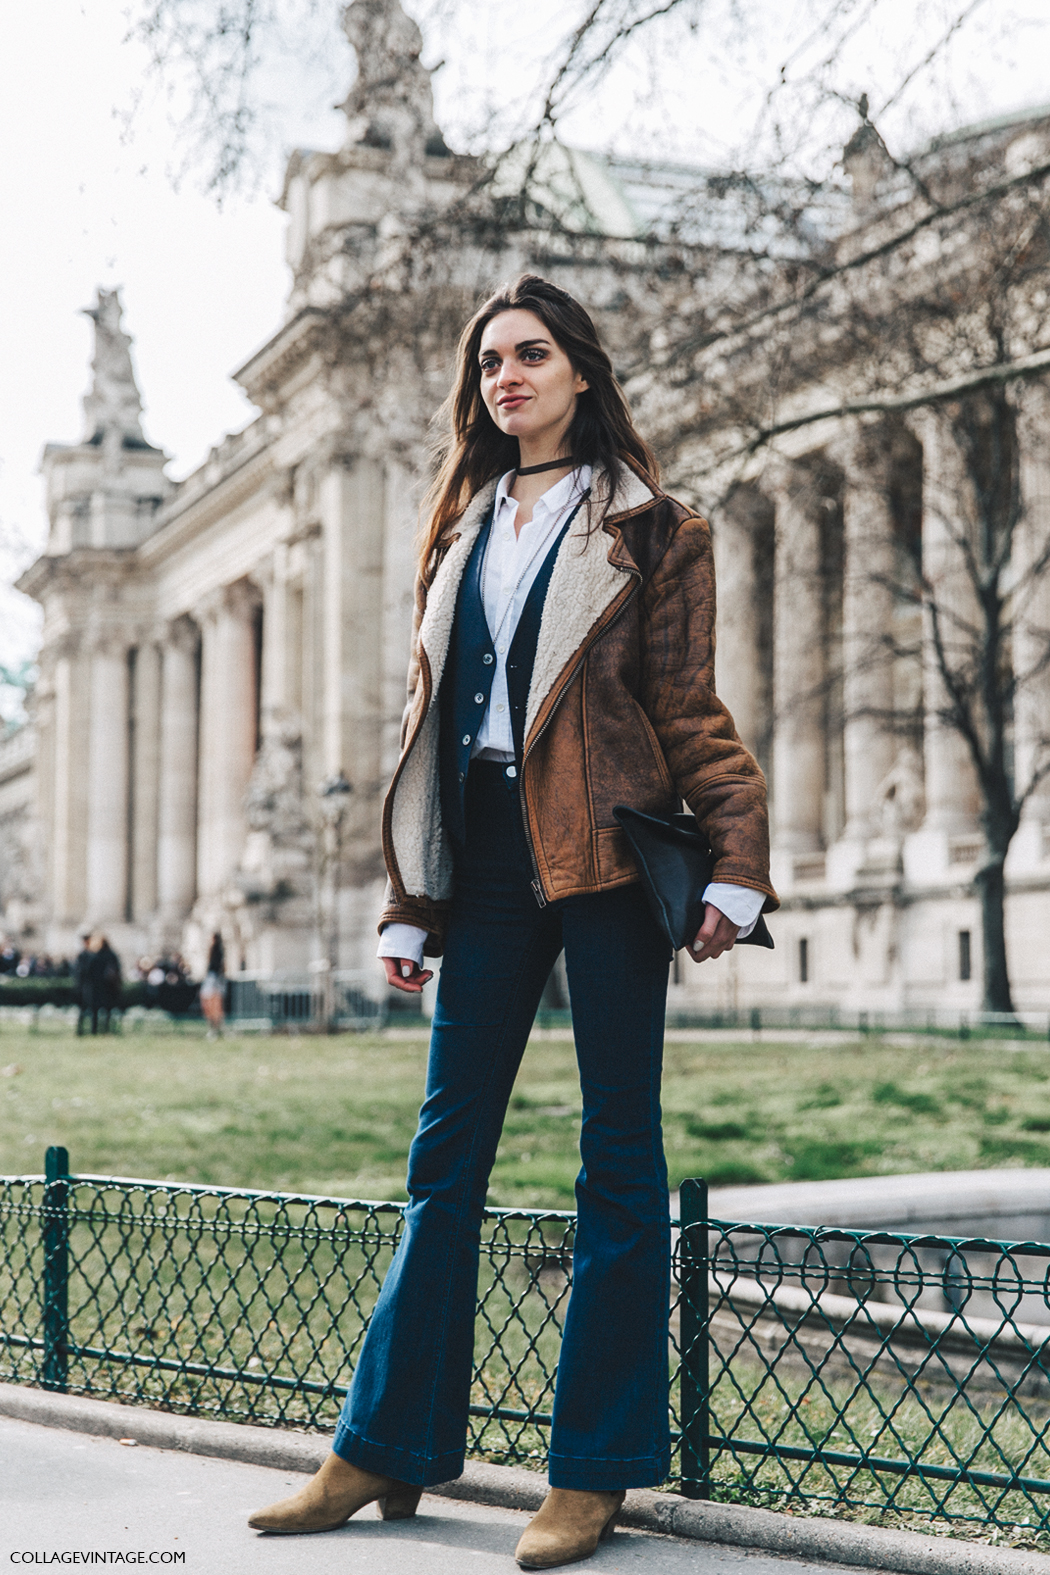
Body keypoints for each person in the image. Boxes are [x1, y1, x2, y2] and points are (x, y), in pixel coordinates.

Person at [249, 275, 777, 1566]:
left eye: (531, 355)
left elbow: (686, 707)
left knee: (616, 1158)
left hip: (601, 852)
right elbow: (434, 724)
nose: (507, 377)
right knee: (443, 1157)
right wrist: (411, 898)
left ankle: (590, 1470)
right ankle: (381, 1443)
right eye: (489, 362)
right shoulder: (458, 524)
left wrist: (736, 858)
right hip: (483, 857)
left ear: (581, 373)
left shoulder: (656, 527)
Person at [199, 932, 226, 1038]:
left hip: (214, 980)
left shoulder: (217, 951)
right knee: (209, 1005)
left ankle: (216, 1029)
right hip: (213, 979)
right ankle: (215, 1029)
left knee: (214, 1005)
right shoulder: (215, 952)